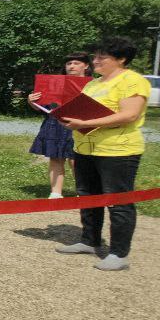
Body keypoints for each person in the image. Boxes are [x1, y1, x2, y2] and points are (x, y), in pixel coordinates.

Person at [54, 36, 150, 271]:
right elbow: (85, 109)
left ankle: (119, 253)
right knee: (88, 196)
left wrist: (87, 121)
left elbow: (129, 115)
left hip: (118, 150)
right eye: (95, 56)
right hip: (86, 147)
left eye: (101, 57)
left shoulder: (133, 81)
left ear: (121, 59)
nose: (95, 61)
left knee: (118, 201)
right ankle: (89, 240)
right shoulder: (94, 84)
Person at [27, 52, 91, 198]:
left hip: (80, 124)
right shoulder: (54, 82)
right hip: (55, 124)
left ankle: (83, 192)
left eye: (76, 63)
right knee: (55, 158)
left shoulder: (93, 84)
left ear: (86, 66)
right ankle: (56, 193)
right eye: (69, 63)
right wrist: (31, 101)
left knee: (77, 160)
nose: (72, 66)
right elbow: (41, 106)